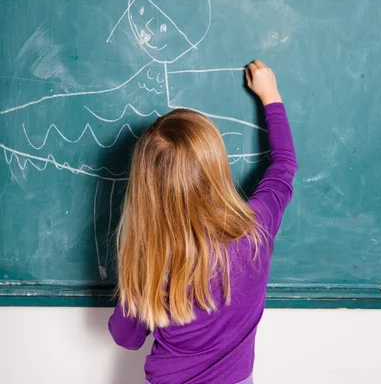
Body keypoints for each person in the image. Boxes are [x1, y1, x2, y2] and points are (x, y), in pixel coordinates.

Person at [108, 60, 298, 384]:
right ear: (216, 167)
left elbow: (127, 338)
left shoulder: (151, 265)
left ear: (145, 190)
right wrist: (271, 96)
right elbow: (284, 166)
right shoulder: (256, 231)